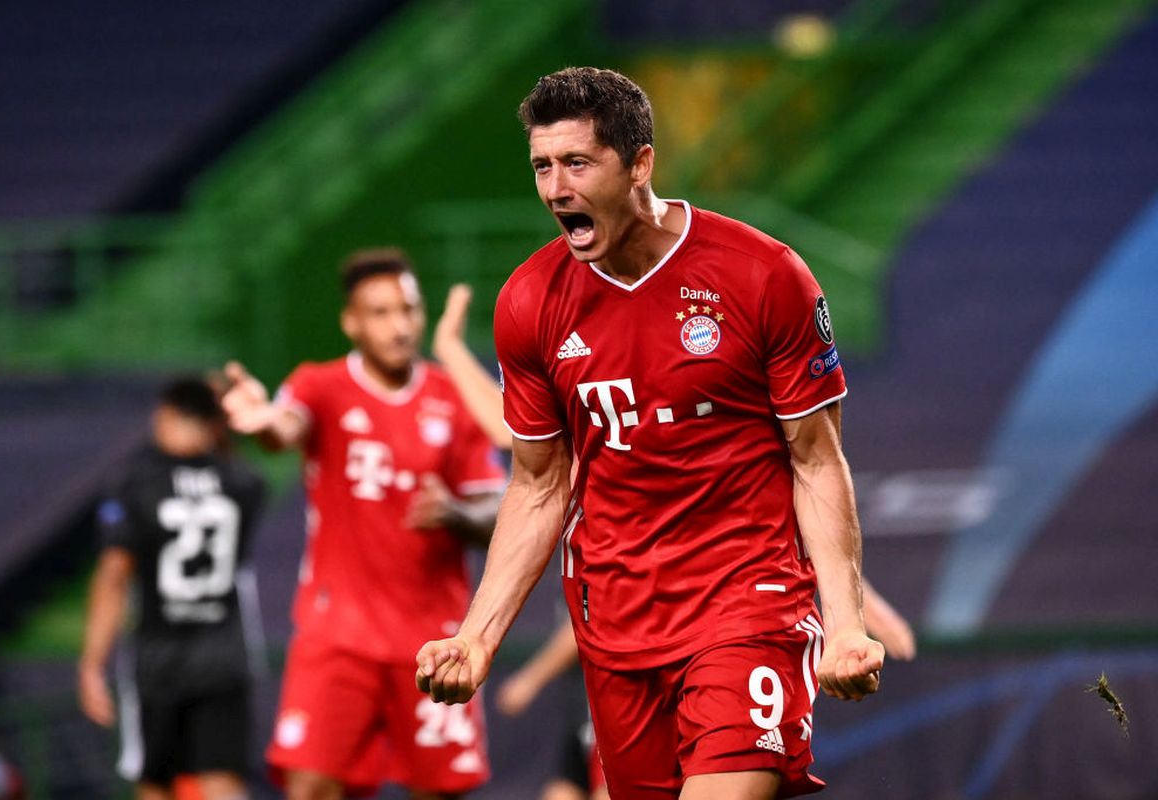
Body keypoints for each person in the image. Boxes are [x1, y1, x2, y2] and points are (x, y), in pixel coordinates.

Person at [417, 67, 885, 799]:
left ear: (640, 163)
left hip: (747, 600)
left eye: (577, 163)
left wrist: (846, 622)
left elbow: (818, 458)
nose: (554, 188)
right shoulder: (529, 302)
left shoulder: (763, 276)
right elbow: (539, 485)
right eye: (542, 166)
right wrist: (476, 637)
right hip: (615, 620)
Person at [221, 249, 506, 800]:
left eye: (408, 309)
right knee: (310, 787)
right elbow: (284, 426)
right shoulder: (319, 386)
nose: (399, 326)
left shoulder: (455, 397)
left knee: (443, 792)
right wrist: (262, 424)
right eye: (380, 312)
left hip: (435, 638)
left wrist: (454, 511)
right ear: (350, 321)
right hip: (338, 634)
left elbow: (501, 510)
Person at [79, 377, 268, 800]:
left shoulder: (134, 483)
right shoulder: (242, 481)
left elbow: (113, 574)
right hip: (224, 653)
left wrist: (92, 663)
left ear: (163, 414)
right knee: (223, 780)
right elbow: (237, 468)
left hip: (158, 657)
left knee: (156, 783)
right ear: (216, 422)